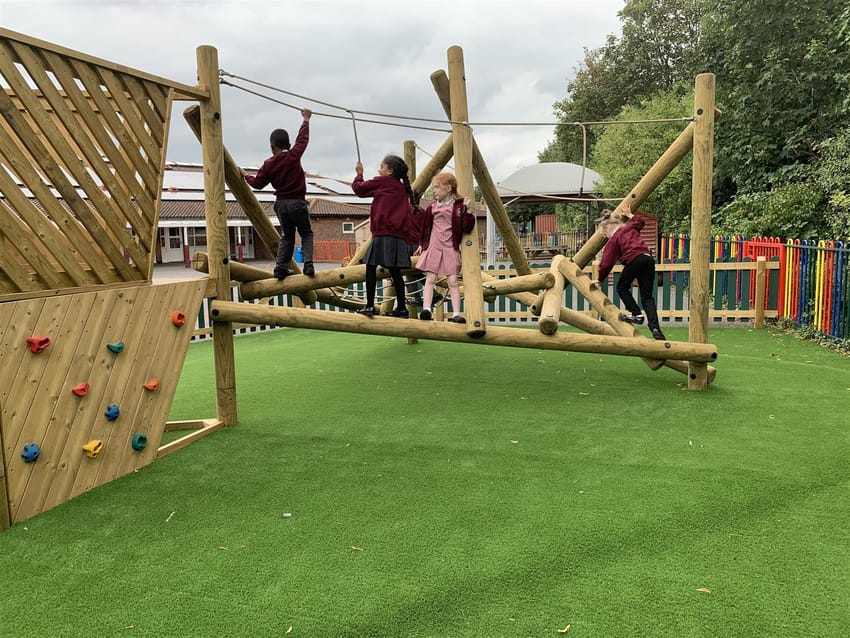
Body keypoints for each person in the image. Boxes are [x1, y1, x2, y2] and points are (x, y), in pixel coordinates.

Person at [242, 108, 315, 279]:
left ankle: (281, 268)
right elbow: (302, 140)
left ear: (272, 146)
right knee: (306, 233)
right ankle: (308, 265)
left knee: (287, 237)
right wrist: (306, 119)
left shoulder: (269, 164)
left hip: (281, 205)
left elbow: (258, 184)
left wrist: (245, 175)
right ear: (288, 146)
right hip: (297, 202)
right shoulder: (293, 156)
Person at [351, 155, 418, 317]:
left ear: (390, 171)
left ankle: (369, 305)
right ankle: (401, 307)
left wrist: (359, 173)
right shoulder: (402, 188)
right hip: (398, 235)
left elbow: (359, 189)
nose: (379, 170)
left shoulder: (382, 182)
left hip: (383, 233)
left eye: (381, 167)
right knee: (395, 271)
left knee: (370, 267)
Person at [590, 203, 666, 340]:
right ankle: (655, 328)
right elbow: (640, 222)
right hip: (648, 259)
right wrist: (629, 214)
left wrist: (600, 279)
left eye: (605, 234)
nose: (606, 236)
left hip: (634, 259)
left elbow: (606, 263)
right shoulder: (630, 227)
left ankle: (636, 314)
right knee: (647, 297)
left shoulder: (613, 239)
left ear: (608, 227)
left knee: (621, 287)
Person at [415, 172, 475, 323]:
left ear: (448, 188)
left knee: (453, 281)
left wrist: (468, 211)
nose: (433, 190)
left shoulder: (458, 206)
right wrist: (422, 244)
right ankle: (427, 309)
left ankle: (456, 314)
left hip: (450, 247)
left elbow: (467, 227)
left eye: (437, 187)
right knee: (431, 278)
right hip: (434, 246)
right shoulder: (432, 207)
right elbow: (425, 228)